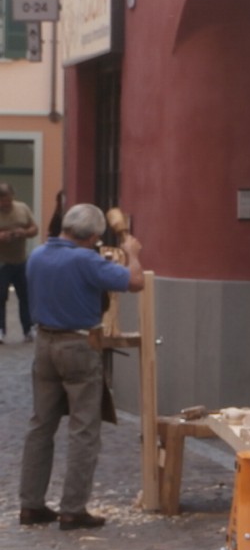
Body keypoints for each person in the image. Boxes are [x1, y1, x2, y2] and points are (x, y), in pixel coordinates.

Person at [18, 203, 144, 530]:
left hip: (44, 343)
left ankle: (30, 504)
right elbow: (135, 281)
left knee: (40, 425)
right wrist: (132, 253)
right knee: (84, 428)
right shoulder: (85, 260)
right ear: (91, 237)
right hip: (77, 344)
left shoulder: (38, 255)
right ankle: (73, 509)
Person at [0, 182, 40, 343]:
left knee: (25, 295)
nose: (6, 204)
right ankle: (0, 330)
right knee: (1, 296)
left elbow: (34, 229)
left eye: (8, 200)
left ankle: (28, 328)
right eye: (3, 202)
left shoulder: (22, 208)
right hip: (1, 263)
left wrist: (24, 232)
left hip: (21, 260)